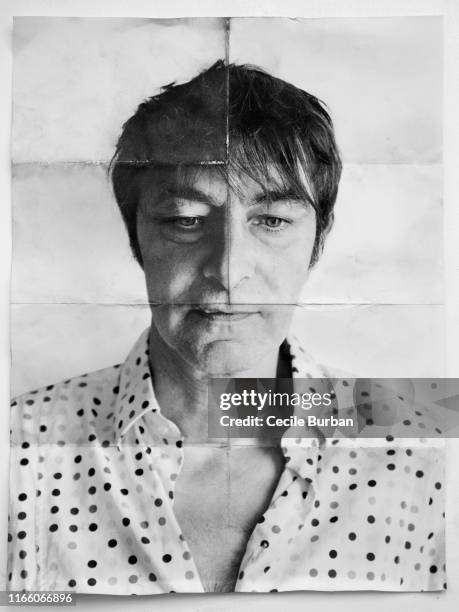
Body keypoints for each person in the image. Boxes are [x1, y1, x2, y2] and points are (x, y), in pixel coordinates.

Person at [7, 61, 445, 594]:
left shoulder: (427, 451)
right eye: (186, 219)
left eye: (272, 221)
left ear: (316, 243)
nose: (229, 271)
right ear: (137, 240)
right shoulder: (17, 447)